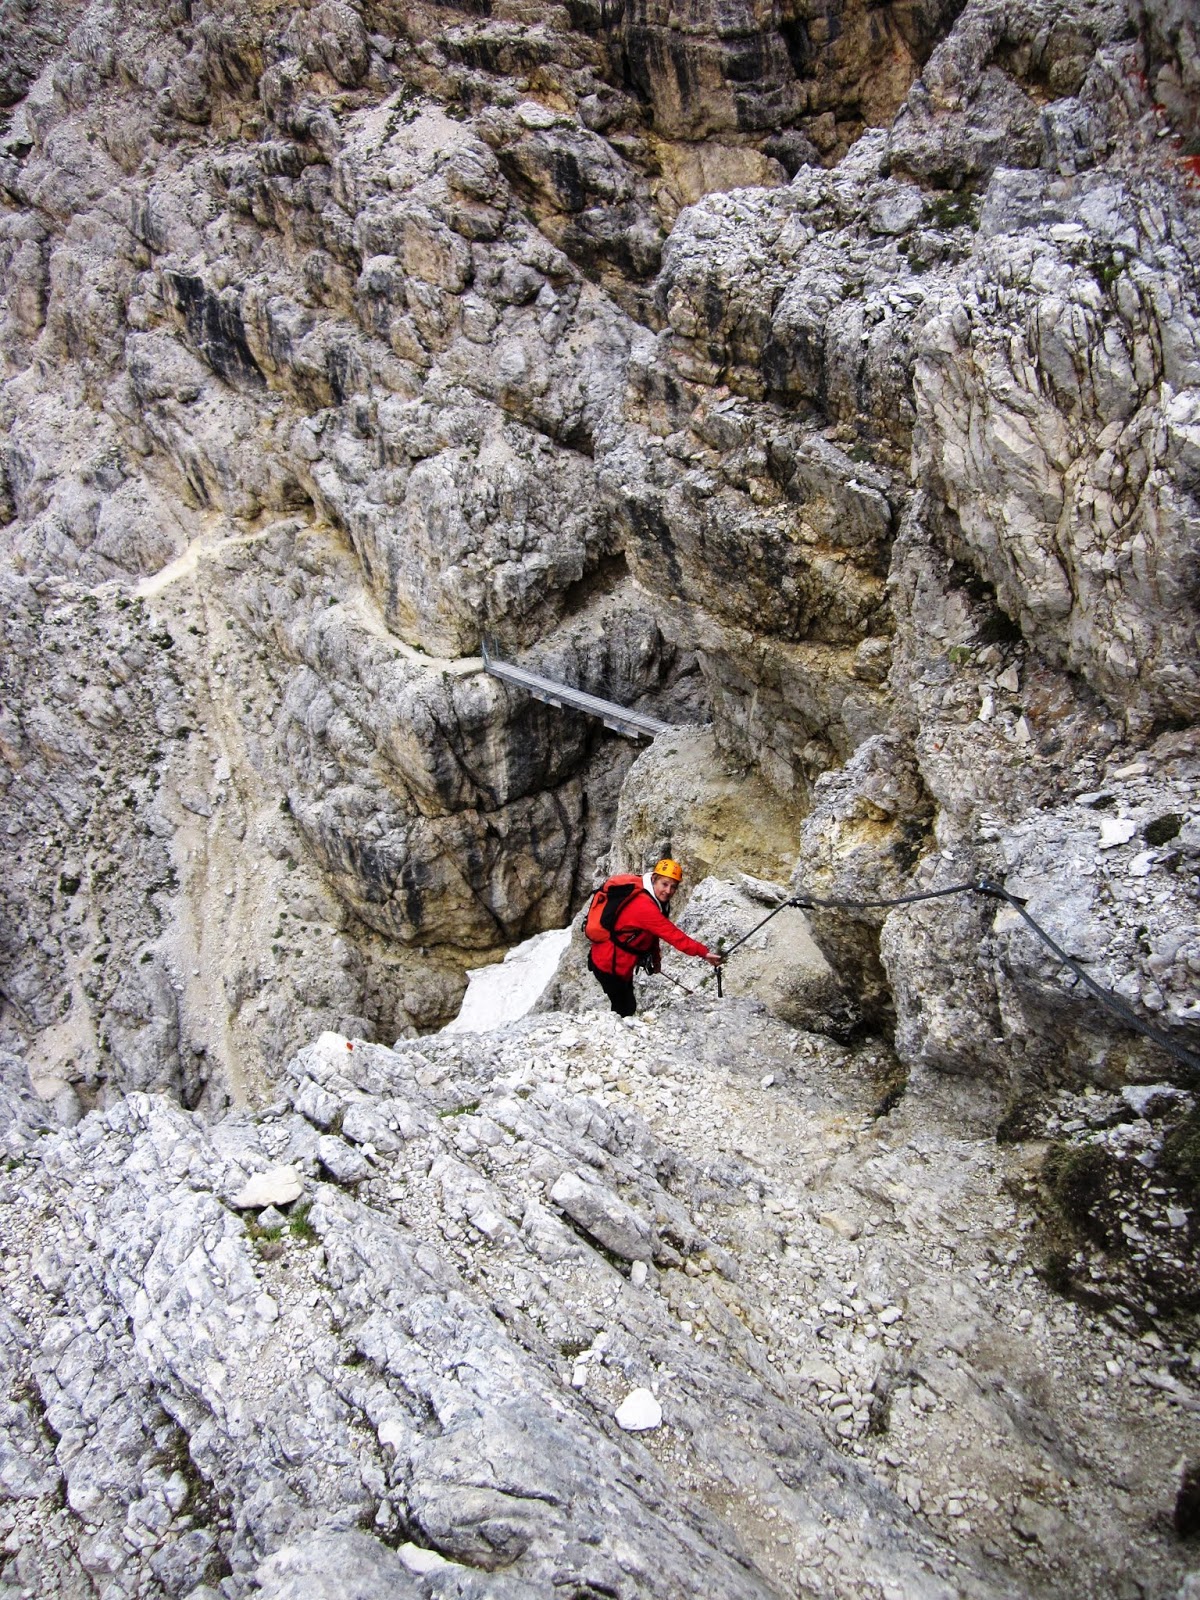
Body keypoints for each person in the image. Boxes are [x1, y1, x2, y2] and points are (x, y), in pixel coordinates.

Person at [587, 858, 722, 1017]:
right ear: (654, 879)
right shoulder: (644, 906)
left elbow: (652, 934)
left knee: (625, 1003)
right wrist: (703, 952)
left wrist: (656, 961)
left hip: (617, 962)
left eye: (673, 887)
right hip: (609, 964)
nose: (668, 891)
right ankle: (614, 1036)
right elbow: (672, 934)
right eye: (664, 884)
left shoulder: (654, 899)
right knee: (625, 1008)